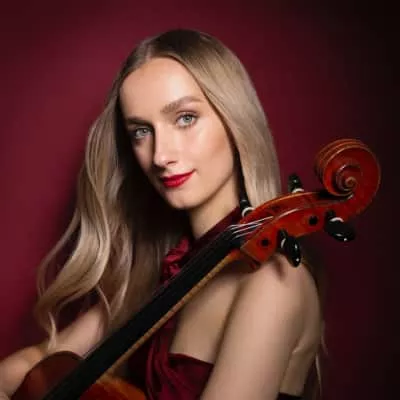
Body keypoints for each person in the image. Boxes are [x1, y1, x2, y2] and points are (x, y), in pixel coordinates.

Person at [0, 29, 323, 399]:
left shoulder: (274, 283)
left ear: (235, 120)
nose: (160, 155)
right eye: (141, 131)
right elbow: (32, 364)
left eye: (185, 118)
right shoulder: (167, 271)